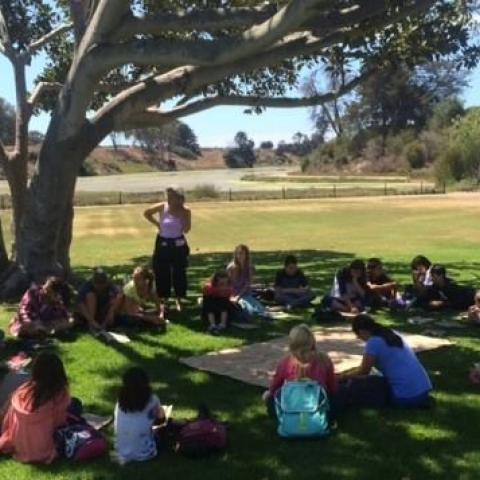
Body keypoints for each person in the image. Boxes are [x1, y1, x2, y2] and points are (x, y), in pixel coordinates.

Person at [342, 315, 432, 408]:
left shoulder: (373, 342)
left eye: (358, 335)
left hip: (405, 396)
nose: (359, 338)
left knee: (362, 384)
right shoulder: (391, 334)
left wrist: (343, 377)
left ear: (361, 331)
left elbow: (364, 371)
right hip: (424, 390)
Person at [0, 353, 71, 464]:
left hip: (20, 446)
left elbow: (8, 420)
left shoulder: (23, 392)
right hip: (45, 448)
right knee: (76, 405)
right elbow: (60, 423)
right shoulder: (59, 394)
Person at [263, 324, 337, 416]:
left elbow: (275, 385)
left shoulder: (285, 362)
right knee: (340, 393)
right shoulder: (324, 359)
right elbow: (332, 386)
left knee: (271, 399)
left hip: (292, 407)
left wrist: (270, 393)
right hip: (318, 405)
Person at [144, 187, 191, 314]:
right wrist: (157, 224)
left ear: (179, 198)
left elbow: (187, 229)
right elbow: (146, 213)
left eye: (172, 196)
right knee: (161, 271)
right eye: (168, 196)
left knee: (179, 272)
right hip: (163, 242)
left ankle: (179, 299)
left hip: (178, 244)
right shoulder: (162, 207)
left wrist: (182, 215)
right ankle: (163, 300)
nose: (169, 199)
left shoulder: (185, 211)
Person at [114, 367, 165, 465]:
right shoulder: (152, 399)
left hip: (121, 450)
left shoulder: (120, 400)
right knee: (162, 431)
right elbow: (161, 419)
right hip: (145, 453)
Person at [9, 277, 74, 339]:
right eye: (45, 288)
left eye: (49, 291)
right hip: (30, 322)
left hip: (47, 323)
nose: (44, 291)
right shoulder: (32, 293)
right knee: (29, 326)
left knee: (66, 322)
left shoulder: (56, 301)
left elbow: (64, 314)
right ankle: (39, 332)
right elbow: (24, 311)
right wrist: (32, 322)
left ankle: (44, 332)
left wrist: (68, 319)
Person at [227, 244, 272, 320]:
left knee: (259, 311)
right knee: (248, 312)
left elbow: (248, 284)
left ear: (246, 255)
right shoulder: (231, 267)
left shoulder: (250, 267)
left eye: (242, 253)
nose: (240, 256)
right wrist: (232, 296)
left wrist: (238, 296)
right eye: (238, 253)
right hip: (233, 293)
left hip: (245, 293)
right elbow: (228, 284)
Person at [78, 267, 123, 332]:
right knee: (91, 296)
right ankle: (91, 325)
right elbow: (80, 304)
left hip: (103, 310)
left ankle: (105, 324)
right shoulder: (86, 286)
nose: (100, 288)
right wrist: (92, 321)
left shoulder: (109, 284)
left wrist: (111, 312)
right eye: (98, 285)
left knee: (115, 298)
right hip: (89, 313)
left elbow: (119, 294)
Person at [202, 271, 234, 335]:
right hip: (212, 304)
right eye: (221, 283)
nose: (224, 285)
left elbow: (228, 298)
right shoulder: (209, 287)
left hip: (224, 306)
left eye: (226, 283)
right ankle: (212, 324)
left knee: (223, 302)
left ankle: (223, 324)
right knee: (208, 302)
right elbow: (205, 295)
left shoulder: (228, 288)